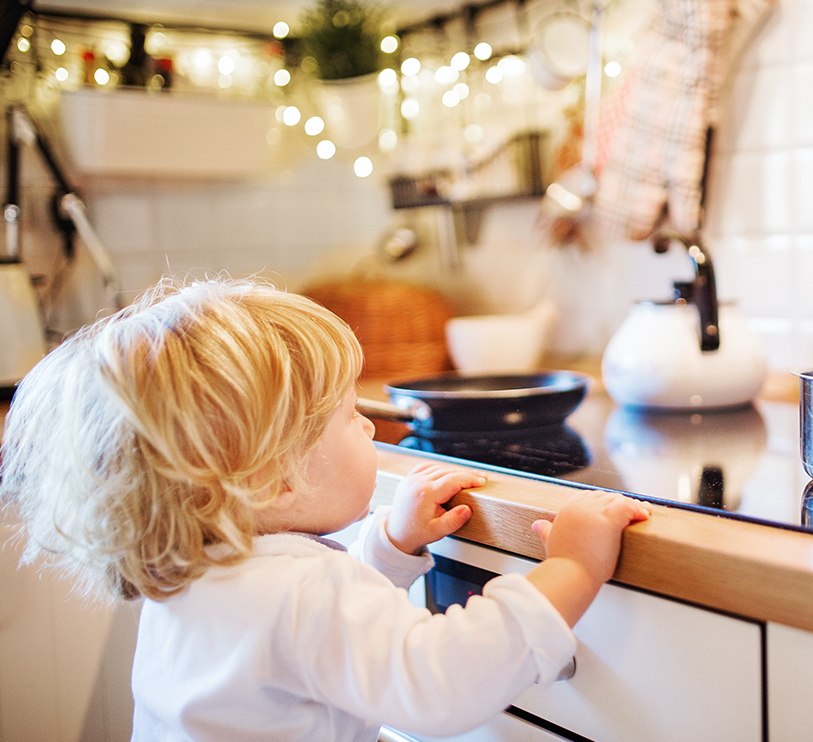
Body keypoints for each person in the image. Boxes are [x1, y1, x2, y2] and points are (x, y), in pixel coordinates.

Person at [0, 275, 651, 741]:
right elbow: (439, 683)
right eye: (349, 418)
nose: (370, 430)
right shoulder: (303, 588)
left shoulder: (195, 572)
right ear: (271, 480)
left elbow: (309, 641)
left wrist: (389, 548)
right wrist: (572, 567)